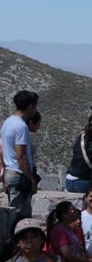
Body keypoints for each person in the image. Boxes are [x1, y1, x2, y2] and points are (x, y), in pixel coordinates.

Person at [1, 90, 39, 219]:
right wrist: (31, 179)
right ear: (30, 106)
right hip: (19, 175)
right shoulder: (21, 126)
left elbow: (2, 149)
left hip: (10, 173)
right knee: (20, 218)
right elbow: (21, 156)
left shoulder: (7, 122)